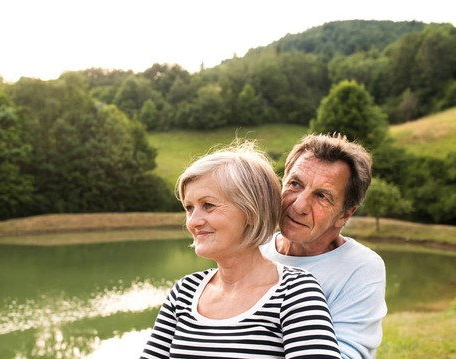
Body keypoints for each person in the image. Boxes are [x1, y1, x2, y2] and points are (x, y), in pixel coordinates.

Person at [141, 141, 341, 359]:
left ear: (251, 212)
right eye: (189, 208)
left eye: (208, 205)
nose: (194, 221)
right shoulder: (184, 292)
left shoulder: (296, 292)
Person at [260, 133, 387, 359]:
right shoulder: (255, 247)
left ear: (345, 214)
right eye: (295, 184)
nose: (299, 206)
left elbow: (347, 354)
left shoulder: (361, 267)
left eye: (321, 196)